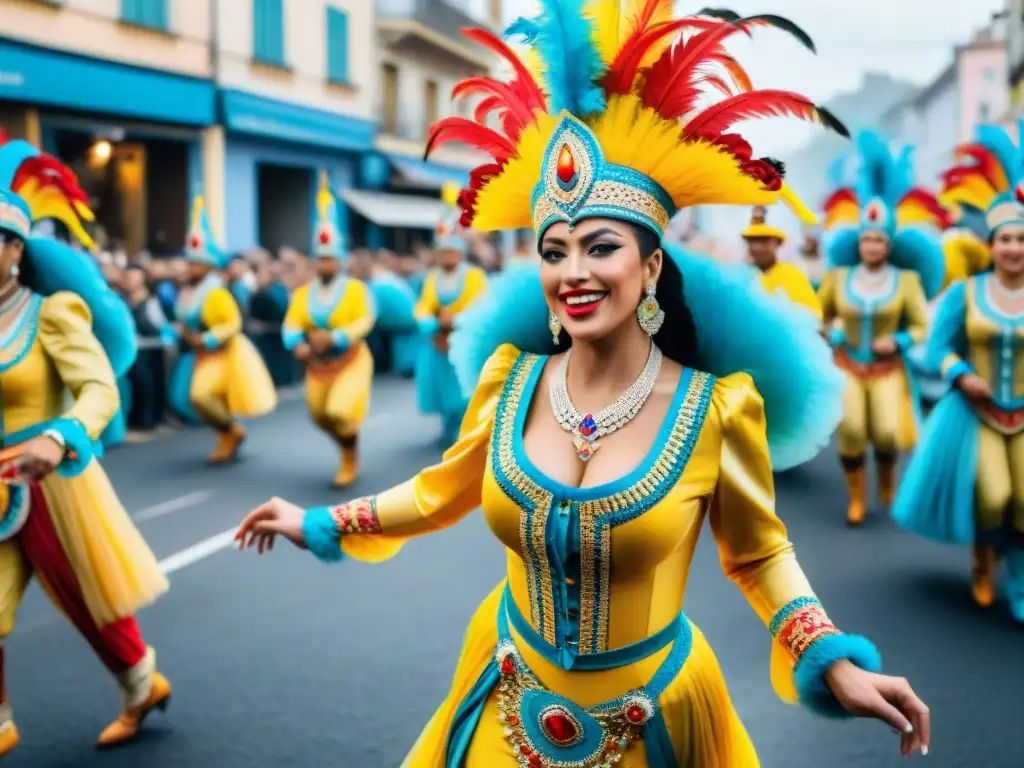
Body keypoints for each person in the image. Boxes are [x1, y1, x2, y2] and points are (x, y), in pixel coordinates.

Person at [236, 8, 930, 765]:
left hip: (650, 717)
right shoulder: (511, 383)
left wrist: (829, 655)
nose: (574, 273)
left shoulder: (713, 410)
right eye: (554, 250)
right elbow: (439, 493)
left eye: (601, 247)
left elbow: (758, 555)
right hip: (505, 696)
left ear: (653, 268)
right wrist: (321, 525)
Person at [0, 138, 170, 757]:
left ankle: (141, 687)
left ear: (16, 249)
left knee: (89, 604)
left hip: (52, 483)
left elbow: (99, 388)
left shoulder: (51, 313)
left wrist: (57, 435)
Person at [893, 121, 1024, 623]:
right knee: (994, 494)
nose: (1012, 247)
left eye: (1020, 238)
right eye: (1004, 239)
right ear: (991, 245)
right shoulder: (967, 294)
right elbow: (936, 348)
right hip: (978, 410)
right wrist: (961, 373)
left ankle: (1018, 578)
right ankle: (982, 559)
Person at [818, 130, 946, 526]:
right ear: (858, 242)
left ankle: (887, 484)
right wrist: (833, 331)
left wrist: (902, 339)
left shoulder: (906, 282)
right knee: (853, 430)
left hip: (889, 369)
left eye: (879, 241)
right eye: (866, 240)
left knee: (889, 433)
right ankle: (856, 496)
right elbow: (822, 318)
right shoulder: (838, 279)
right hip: (849, 364)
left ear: (889, 245)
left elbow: (923, 327)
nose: (872, 247)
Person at [167, 193, 277, 463]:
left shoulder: (215, 292)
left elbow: (233, 324)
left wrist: (206, 338)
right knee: (185, 400)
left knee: (201, 395)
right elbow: (181, 320)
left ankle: (230, 431)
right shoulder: (187, 292)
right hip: (197, 354)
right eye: (189, 262)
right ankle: (226, 433)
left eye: (195, 263)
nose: (190, 268)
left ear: (206, 265)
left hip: (222, 352)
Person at [281, 176, 375, 487]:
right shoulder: (303, 294)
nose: (325, 264)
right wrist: (297, 343)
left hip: (350, 359)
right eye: (320, 259)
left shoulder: (355, 289)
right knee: (320, 416)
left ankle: (350, 456)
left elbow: (365, 320)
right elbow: (292, 323)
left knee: (340, 410)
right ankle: (345, 445)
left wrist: (336, 337)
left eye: (330, 259)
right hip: (317, 365)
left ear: (340, 261)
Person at [414, 185, 488, 446]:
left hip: (462, 340)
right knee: (441, 388)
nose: (448, 257)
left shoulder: (473, 275)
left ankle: (462, 426)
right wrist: (431, 322)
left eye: (452, 252)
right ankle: (447, 424)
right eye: (443, 252)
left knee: (462, 388)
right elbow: (423, 306)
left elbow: (480, 305)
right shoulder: (433, 278)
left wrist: (457, 320)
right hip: (439, 342)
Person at [741, 206, 822, 319]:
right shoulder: (742, 277)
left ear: (777, 244)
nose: (756, 247)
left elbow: (812, 316)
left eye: (763, 241)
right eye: (752, 241)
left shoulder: (791, 274)